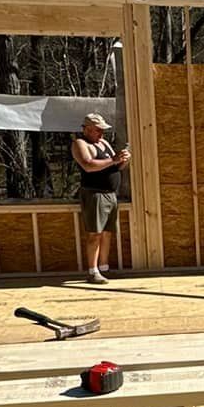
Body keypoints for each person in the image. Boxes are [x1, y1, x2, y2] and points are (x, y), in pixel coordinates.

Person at [71, 112, 129, 283]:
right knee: (94, 233)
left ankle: (104, 267)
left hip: (110, 194)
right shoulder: (80, 144)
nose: (101, 133)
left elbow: (115, 166)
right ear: (87, 129)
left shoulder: (103, 143)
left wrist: (124, 160)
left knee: (107, 233)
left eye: (102, 130)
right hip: (94, 193)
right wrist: (114, 160)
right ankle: (92, 271)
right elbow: (88, 165)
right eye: (98, 130)